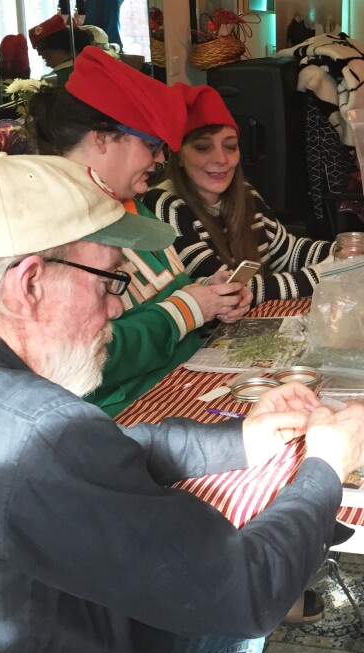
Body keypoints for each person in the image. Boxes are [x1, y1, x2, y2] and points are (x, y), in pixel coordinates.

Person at [0, 152, 364, 653]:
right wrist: (325, 467)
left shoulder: (36, 427)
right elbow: (245, 590)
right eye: (108, 282)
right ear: (28, 285)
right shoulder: (35, 432)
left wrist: (241, 439)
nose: (115, 307)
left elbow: (103, 449)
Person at [26, 46, 253, 417]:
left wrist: (209, 299)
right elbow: (87, 353)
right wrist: (190, 308)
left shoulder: (132, 206)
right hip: (126, 418)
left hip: (181, 390)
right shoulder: (52, 228)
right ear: (101, 138)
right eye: (151, 145)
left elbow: (166, 297)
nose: (160, 159)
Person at [143, 84, 336, 304]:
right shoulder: (165, 206)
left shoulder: (246, 195)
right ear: (177, 156)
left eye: (230, 146)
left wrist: (348, 249)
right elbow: (230, 290)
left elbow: (288, 252)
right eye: (203, 147)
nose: (221, 159)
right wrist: (328, 275)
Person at [28, 13, 91, 85]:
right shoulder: (94, 69)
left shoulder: (51, 81)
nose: (39, 54)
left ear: (63, 44)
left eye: (44, 48)